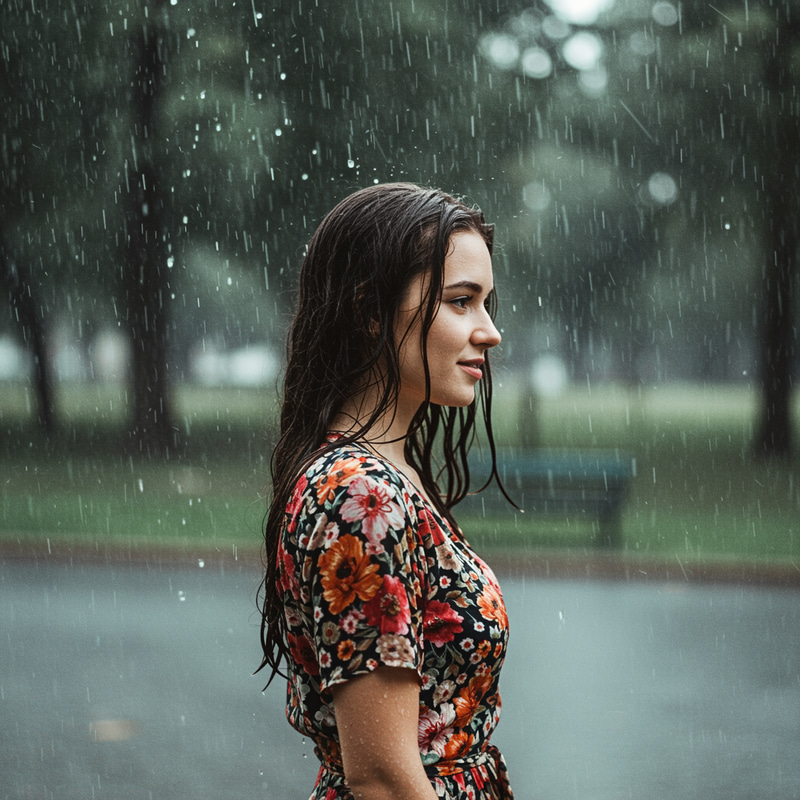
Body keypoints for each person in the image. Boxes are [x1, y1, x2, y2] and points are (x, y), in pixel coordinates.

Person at [257, 182, 515, 799]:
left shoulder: (385, 477)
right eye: (461, 302)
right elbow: (384, 781)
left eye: (487, 304)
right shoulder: (358, 498)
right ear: (370, 310)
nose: (490, 332)